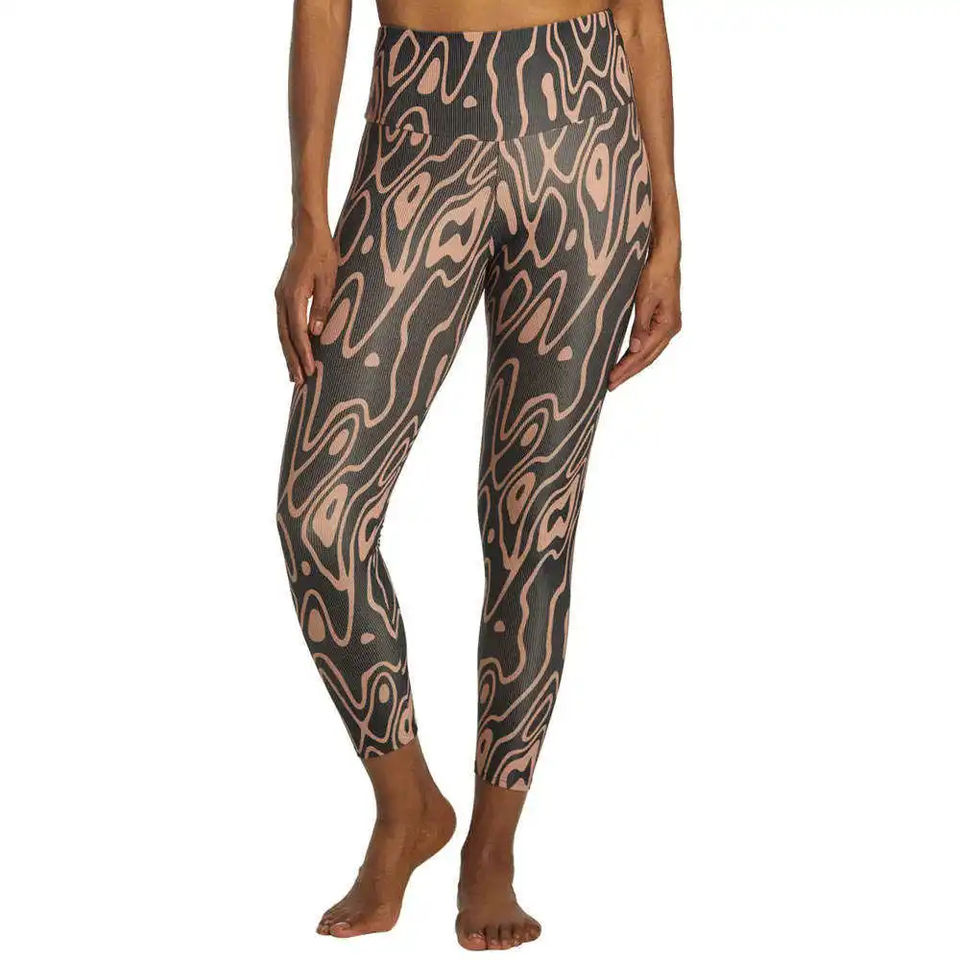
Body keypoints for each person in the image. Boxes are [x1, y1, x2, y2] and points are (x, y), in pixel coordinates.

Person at [274, 0, 681, 948]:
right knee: (319, 512)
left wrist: (670, 228)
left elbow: (640, 17)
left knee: (533, 520)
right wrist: (308, 217)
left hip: (584, 134)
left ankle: (492, 849)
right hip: (421, 130)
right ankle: (406, 804)